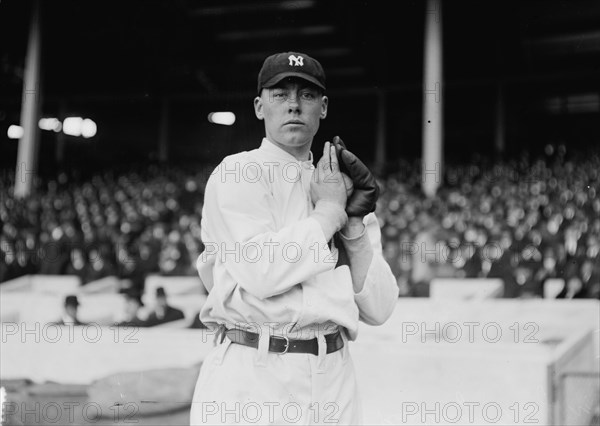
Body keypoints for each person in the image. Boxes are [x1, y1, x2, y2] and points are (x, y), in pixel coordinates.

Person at [190, 51, 399, 425]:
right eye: (280, 94)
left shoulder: (338, 183)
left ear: (323, 107)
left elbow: (379, 308)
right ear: (259, 106)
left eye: (305, 95)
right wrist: (329, 214)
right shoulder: (238, 172)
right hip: (254, 368)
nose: (293, 106)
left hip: (333, 374)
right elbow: (261, 273)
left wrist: (352, 225)